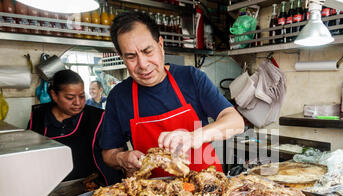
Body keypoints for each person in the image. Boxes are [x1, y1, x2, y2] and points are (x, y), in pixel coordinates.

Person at [100, 11, 245, 177]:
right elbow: (109, 153)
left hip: (208, 188)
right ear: (121, 57)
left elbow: (236, 122)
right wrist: (122, 158)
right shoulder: (119, 96)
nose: (143, 64)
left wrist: (194, 136)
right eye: (131, 56)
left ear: (160, 45)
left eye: (148, 51)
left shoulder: (191, 78)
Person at [28, 69, 124, 185]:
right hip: (52, 189)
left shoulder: (98, 118)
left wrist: (102, 173)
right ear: (54, 95)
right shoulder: (38, 118)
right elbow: (32, 158)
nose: (78, 102)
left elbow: (117, 155)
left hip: (95, 189)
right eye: (70, 97)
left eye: (82, 96)